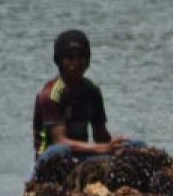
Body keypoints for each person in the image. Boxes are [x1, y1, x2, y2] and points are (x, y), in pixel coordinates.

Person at [32, 29, 131, 168]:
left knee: (135, 146)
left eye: (81, 57)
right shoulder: (51, 94)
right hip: (51, 159)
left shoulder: (92, 91)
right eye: (70, 58)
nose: (76, 63)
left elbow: (100, 136)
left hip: (83, 156)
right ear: (60, 61)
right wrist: (103, 148)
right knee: (59, 150)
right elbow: (59, 141)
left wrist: (115, 146)